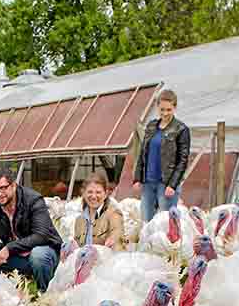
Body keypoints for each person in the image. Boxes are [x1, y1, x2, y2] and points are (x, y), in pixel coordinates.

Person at [133, 89, 191, 222]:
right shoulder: (151, 126)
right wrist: (137, 178)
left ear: (175, 107)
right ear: (157, 107)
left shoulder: (181, 129)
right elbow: (143, 153)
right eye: (162, 109)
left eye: (169, 110)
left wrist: (173, 184)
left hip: (166, 184)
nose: (165, 113)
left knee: (164, 223)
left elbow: (183, 160)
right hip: (148, 182)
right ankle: (148, 244)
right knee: (146, 222)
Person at [74, 172, 125, 250]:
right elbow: (77, 247)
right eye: (90, 192)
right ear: (83, 193)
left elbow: (117, 231)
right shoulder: (79, 220)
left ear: (105, 194)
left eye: (98, 192)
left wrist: (112, 239)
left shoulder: (114, 214)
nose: (94, 196)